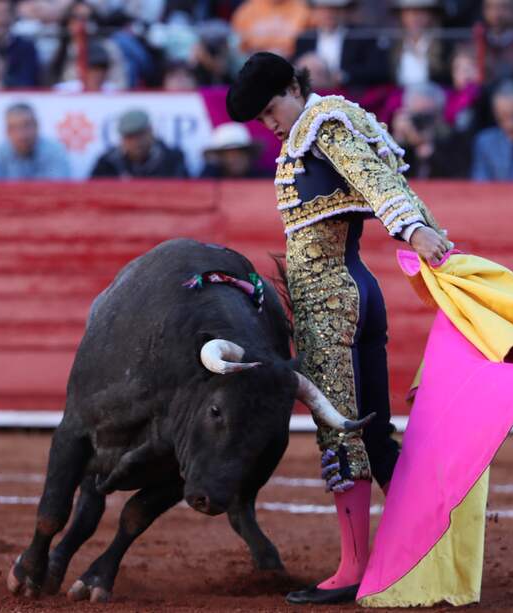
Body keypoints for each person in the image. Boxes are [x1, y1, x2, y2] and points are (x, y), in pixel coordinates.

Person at [226, 51, 453, 605]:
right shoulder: (317, 128)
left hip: (333, 302)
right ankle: (425, 556)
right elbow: (382, 177)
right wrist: (418, 223)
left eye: (271, 109)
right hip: (356, 293)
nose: (271, 124)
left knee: (342, 431)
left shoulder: (321, 124)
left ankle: (354, 567)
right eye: (261, 120)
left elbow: (375, 180)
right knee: (374, 432)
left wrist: (415, 230)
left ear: (291, 86)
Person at [293, 0, 390, 88]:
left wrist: (344, 76)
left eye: (334, 9)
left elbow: (378, 70)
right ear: (314, 11)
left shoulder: (361, 35)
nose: (328, 14)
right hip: (314, 93)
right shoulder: (305, 38)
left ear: (344, 11)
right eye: (323, 9)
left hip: (351, 94)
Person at [391, 82, 469, 178]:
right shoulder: (397, 143)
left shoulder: (453, 139)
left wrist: (432, 154)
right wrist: (398, 140)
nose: (422, 122)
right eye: (417, 116)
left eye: (427, 116)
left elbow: (460, 177)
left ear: (439, 115)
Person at [47, 0, 127, 89]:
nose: (81, 24)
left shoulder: (107, 47)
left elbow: (119, 83)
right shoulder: (63, 48)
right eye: (75, 18)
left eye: (87, 19)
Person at [0, 103, 72, 181]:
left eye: (26, 125)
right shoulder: (0, 152)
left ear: (37, 126)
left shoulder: (54, 151)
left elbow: (59, 189)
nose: (21, 134)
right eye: (15, 128)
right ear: (7, 132)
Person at [90, 109, 188, 179]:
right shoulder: (107, 162)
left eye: (140, 135)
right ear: (122, 139)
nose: (135, 142)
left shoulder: (172, 159)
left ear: (151, 131)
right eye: (129, 137)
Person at [391, 0, 451, 87]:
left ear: (431, 14)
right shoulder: (392, 48)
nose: (415, 16)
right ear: (401, 15)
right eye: (409, 10)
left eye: (421, 10)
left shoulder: (445, 47)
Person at [231, 0, 310, 58]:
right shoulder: (248, 8)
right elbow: (236, 41)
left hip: (291, 58)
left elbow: (305, 39)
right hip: (252, 57)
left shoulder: (301, 8)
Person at [200, 122, 267, 178]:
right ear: (220, 158)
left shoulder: (266, 179)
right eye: (229, 154)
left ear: (248, 154)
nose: (235, 159)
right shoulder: (208, 178)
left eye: (240, 152)